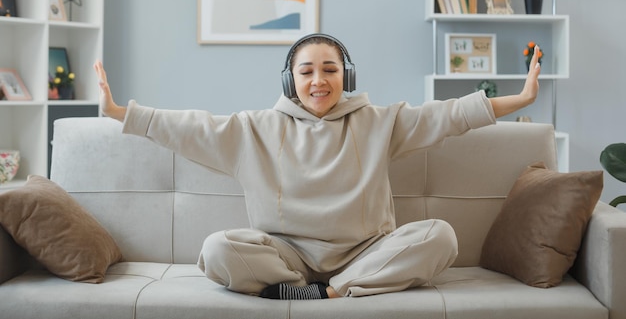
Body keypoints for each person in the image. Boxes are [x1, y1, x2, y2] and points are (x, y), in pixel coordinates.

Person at [94, 33, 541, 300]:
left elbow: (448, 116)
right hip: (286, 256)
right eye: (306, 71)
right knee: (216, 249)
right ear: (291, 81)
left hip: (367, 252)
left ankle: (331, 292)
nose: (318, 80)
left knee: (439, 236)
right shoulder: (254, 129)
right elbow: (189, 128)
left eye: (329, 70)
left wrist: (518, 99)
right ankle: (316, 288)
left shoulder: (380, 121)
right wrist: (119, 112)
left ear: (345, 77)